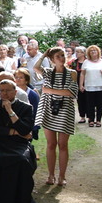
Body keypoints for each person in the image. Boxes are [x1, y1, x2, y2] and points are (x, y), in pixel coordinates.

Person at [0, 80, 39, 203]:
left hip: (19, 144)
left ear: (15, 92)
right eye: (2, 90)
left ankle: (18, 195)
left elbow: (25, 130)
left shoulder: (26, 107)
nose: (4, 93)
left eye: (8, 90)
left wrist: (11, 112)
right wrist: (12, 131)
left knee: (21, 159)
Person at [34, 47, 78, 186]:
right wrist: (44, 55)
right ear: (52, 60)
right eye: (58, 56)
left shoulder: (72, 73)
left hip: (65, 110)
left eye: (63, 55)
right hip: (49, 110)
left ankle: (62, 176)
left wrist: (49, 90)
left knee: (63, 145)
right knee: (51, 144)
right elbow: (36, 67)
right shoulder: (47, 72)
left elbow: (71, 93)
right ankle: (51, 175)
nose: (61, 58)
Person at [79, 45, 102, 127]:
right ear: (89, 53)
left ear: (98, 52)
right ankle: (91, 120)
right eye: (91, 50)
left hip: (100, 86)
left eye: (95, 50)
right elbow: (82, 74)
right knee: (90, 104)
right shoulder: (86, 62)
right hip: (89, 86)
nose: (93, 52)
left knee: (100, 104)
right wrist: (81, 85)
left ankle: (99, 120)